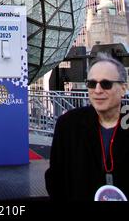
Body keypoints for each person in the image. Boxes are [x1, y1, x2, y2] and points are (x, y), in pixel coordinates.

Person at [45, 53, 129, 201]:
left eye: (106, 84)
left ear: (123, 88)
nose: (97, 90)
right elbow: (55, 178)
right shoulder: (68, 124)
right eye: (91, 83)